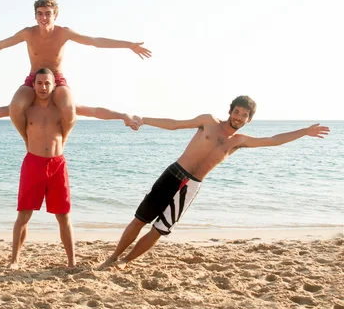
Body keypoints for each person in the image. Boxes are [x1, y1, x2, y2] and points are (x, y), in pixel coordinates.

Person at [100, 95, 330, 269]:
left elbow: (273, 140)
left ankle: (126, 261)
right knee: (140, 219)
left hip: (191, 187)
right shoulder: (208, 121)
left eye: (244, 115)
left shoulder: (239, 141)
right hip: (173, 174)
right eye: (237, 111)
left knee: (160, 229)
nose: (239, 117)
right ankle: (113, 257)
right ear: (230, 111)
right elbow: (175, 124)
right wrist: (144, 120)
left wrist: (304, 131)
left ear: (249, 120)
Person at [0, 68, 138, 268]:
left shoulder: (62, 108)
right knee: (24, 215)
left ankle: (72, 263)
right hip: (33, 164)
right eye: (39, 83)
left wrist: (123, 115)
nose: (43, 87)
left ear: (54, 86)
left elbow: (96, 111)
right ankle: (15, 261)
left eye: (47, 83)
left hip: (57, 164)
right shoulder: (26, 108)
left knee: (63, 216)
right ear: (33, 85)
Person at [0, 0, 151, 145]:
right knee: (15, 106)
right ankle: (28, 140)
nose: (44, 17)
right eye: (40, 14)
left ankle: (62, 140)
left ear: (55, 15)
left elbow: (95, 42)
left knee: (69, 106)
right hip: (34, 79)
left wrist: (129, 45)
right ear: (35, 16)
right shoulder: (28, 33)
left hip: (57, 79)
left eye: (48, 13)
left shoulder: (63, 33)